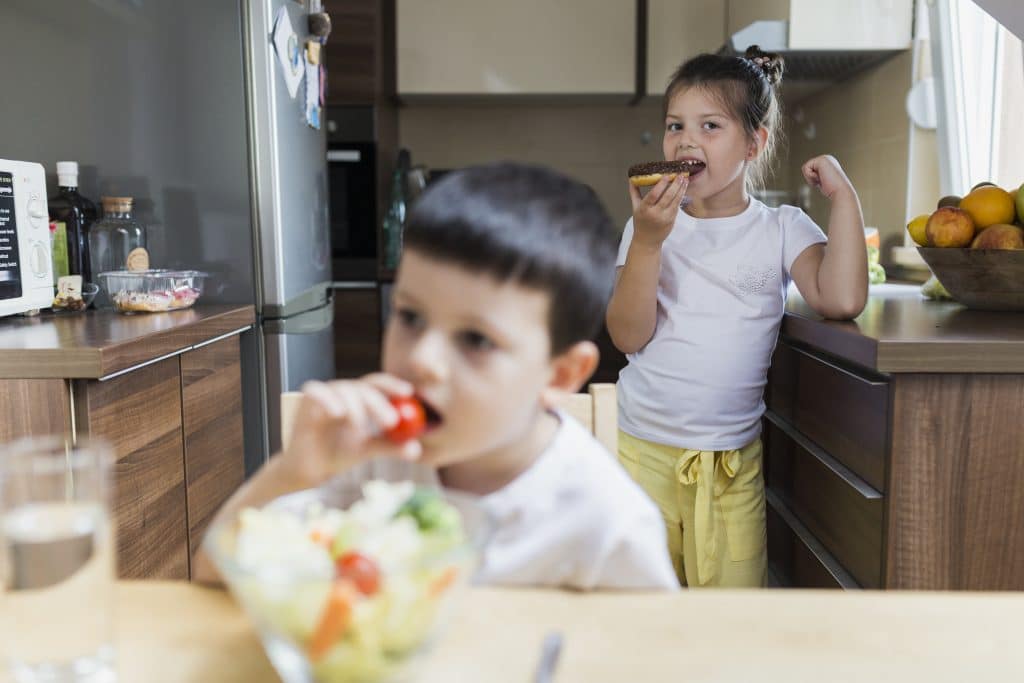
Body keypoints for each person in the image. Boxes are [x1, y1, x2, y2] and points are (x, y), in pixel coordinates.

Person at [195, 162, 679, 590]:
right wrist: (291, 473)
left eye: (475, 340)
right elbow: (215, 576)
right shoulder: (373, 460)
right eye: (410, 317)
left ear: (559, 375)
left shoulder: (609, 522)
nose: (422, 360)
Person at [606, 46, 868, 588]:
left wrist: (843, 197)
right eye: (675, 125)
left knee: (732, 618)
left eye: (710, 125)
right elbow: (627, 335)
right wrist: (650, 244)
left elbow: (840, 299)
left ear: (754, 143)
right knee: (638, 615)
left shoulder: (780, 228)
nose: (685, 140)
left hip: (731, 466)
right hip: (639, 452)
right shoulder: (648, 227)